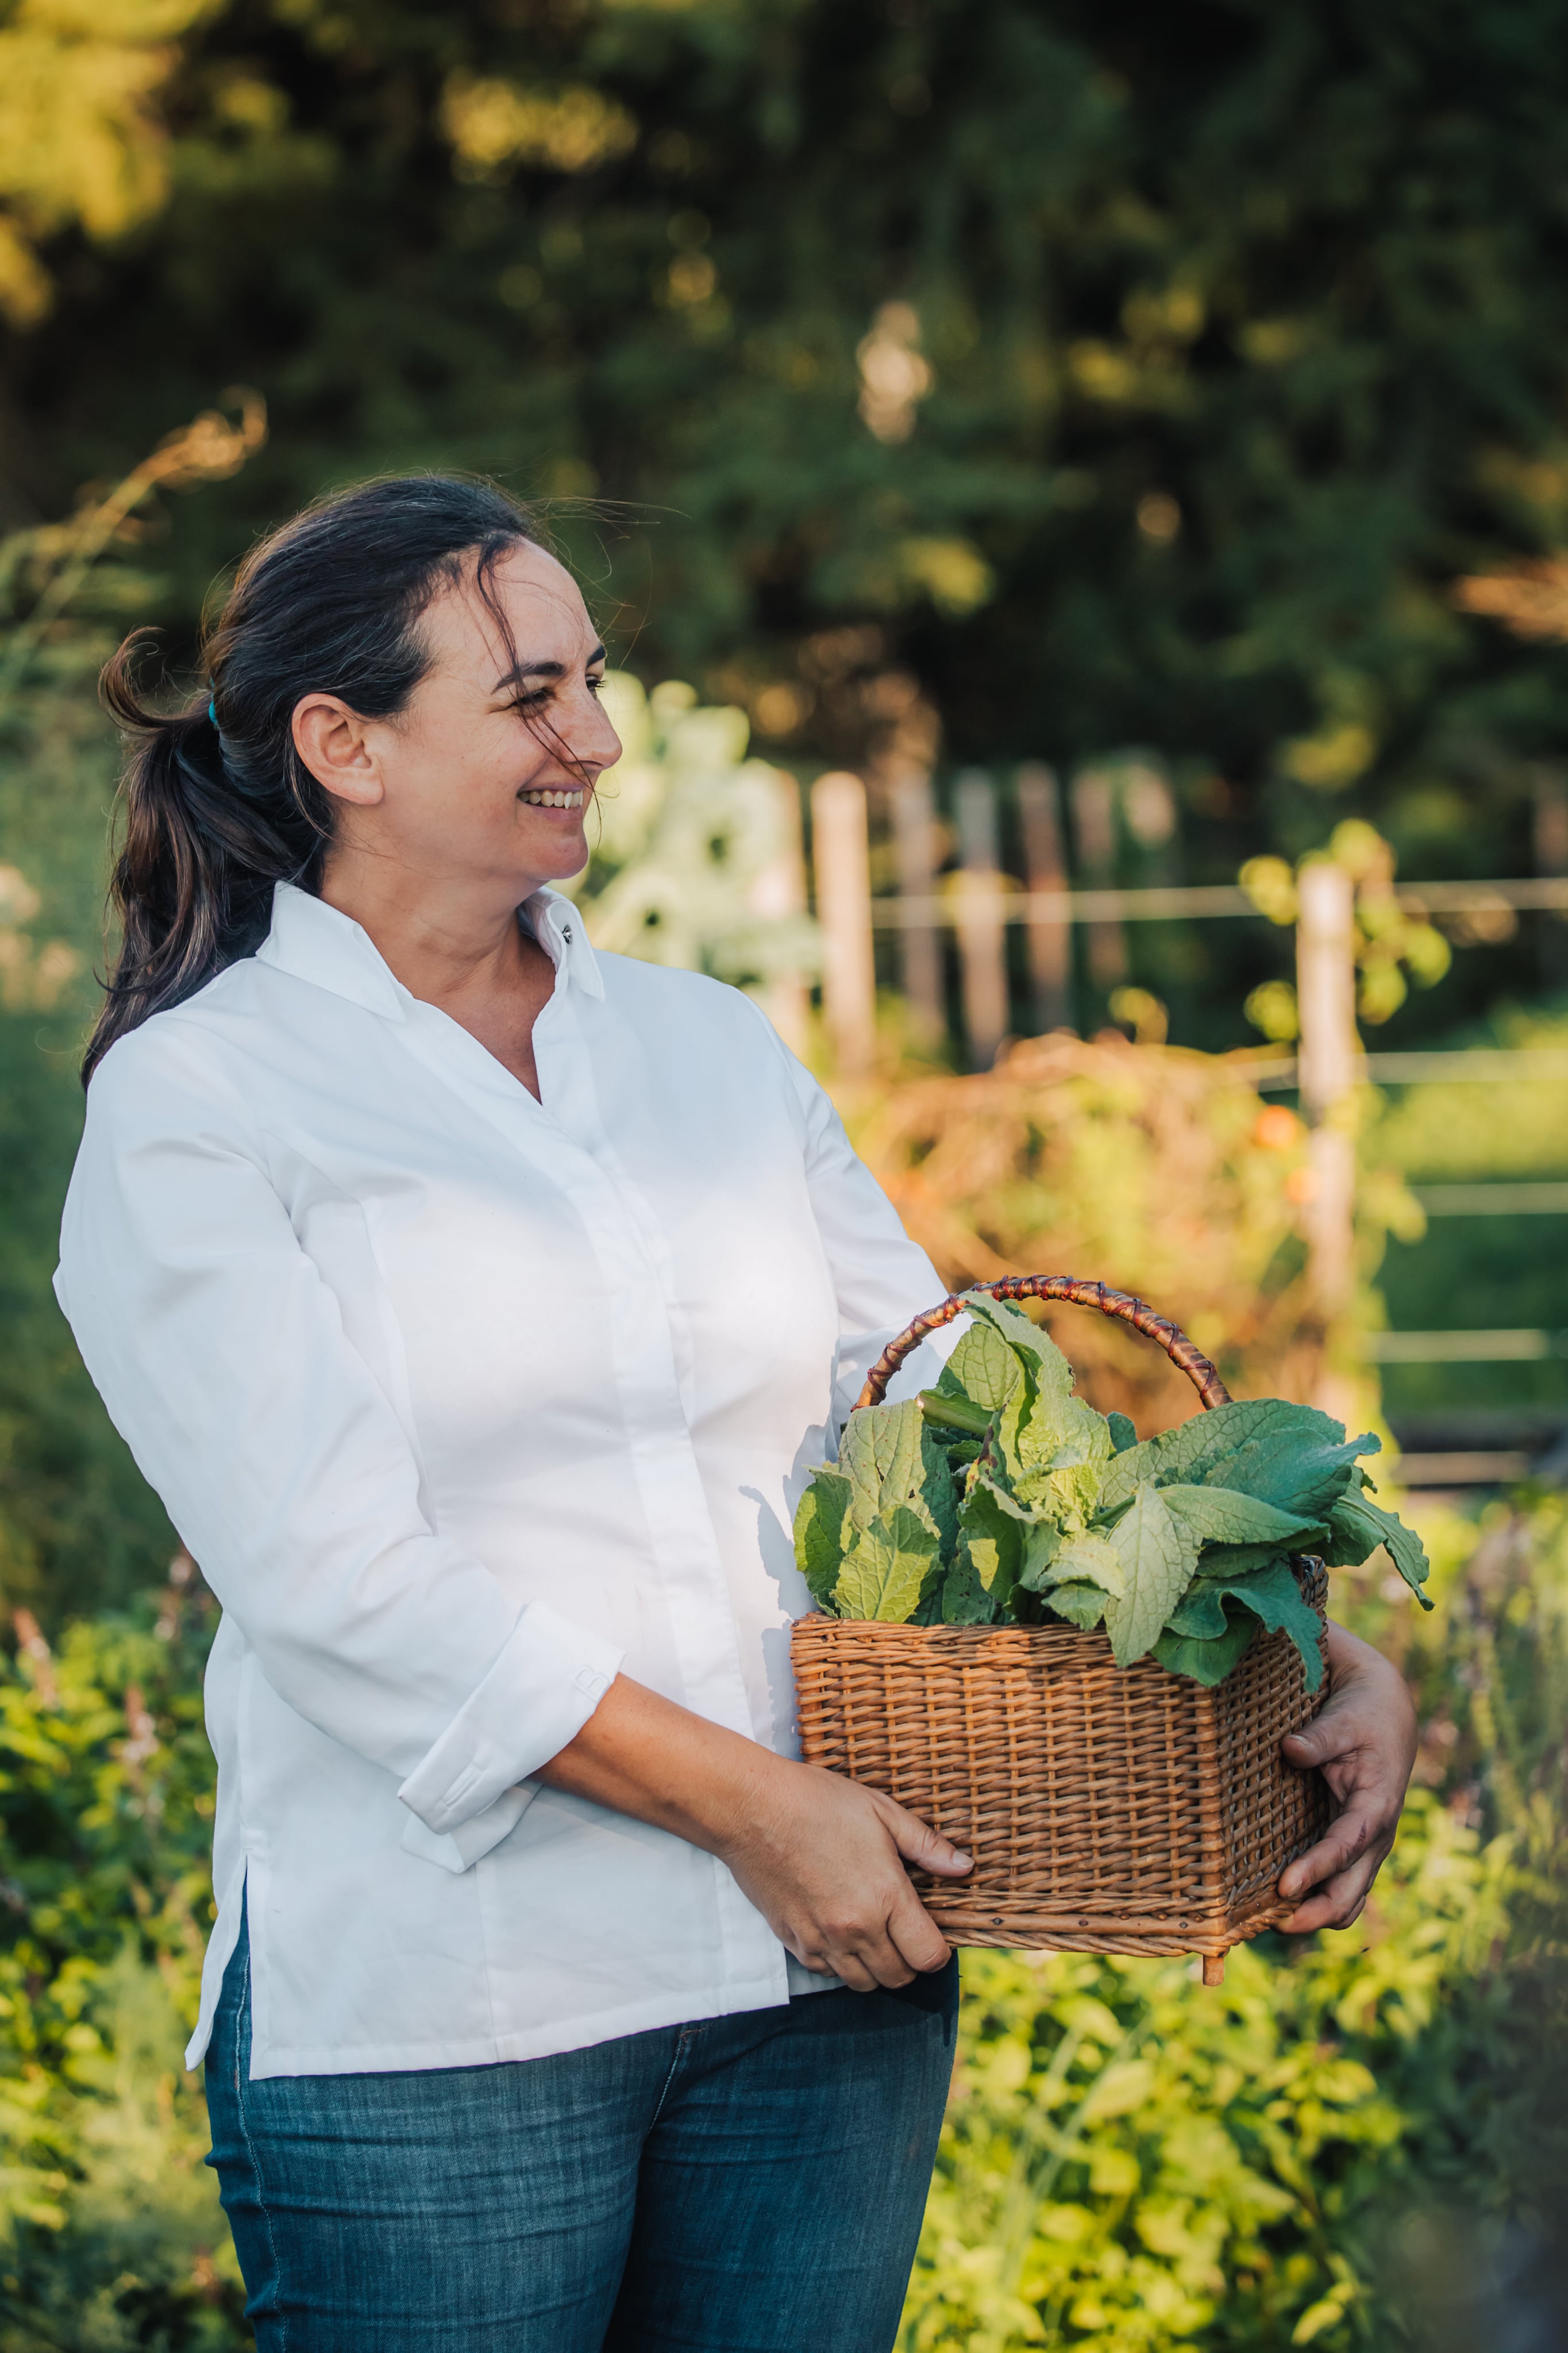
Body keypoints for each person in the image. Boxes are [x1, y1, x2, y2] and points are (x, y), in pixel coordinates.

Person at [55, 475, 1418, 2353]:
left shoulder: (705, 1046)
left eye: (593, 680)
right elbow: (338, 1583)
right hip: (457, 2024)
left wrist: (1286, 1646)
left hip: (828, 1985)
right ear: (339, 742)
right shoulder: (202, 1104)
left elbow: (953, 1427)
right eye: (531, 694)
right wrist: (764, 1815)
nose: (596, 738)